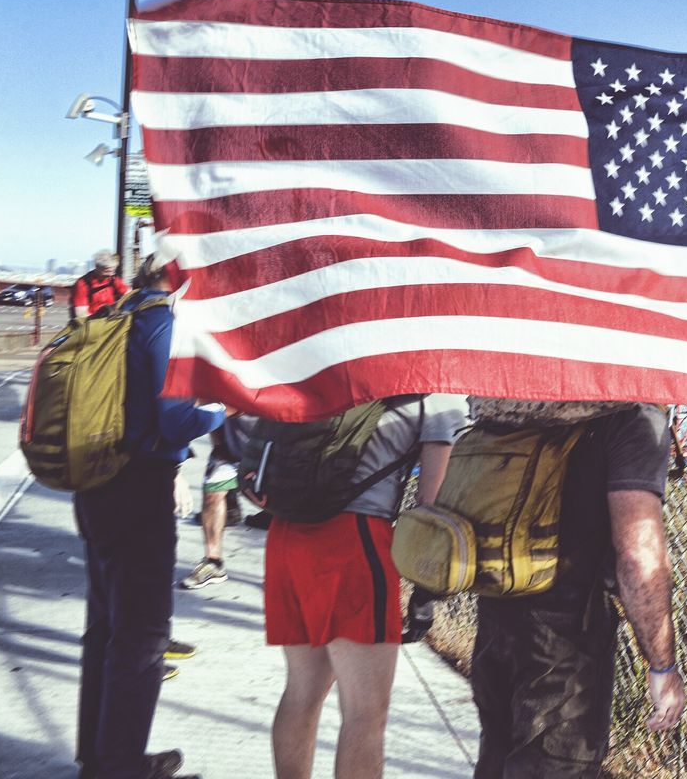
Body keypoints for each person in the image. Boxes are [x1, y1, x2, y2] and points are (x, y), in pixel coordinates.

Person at [470, 403, 686, 778]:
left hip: (497, 609)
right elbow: (639, 556)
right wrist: (662, 665)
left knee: (497, 755)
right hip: (566, 641)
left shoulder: (525, 402)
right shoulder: (633, 417)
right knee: (555, 768)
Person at [73, 252, 224, 779]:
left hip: (99, 486)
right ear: (175, 271)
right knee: (143, 635)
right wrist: (226, 404)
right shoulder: (162, 320)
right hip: (137, 493)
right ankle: (120, 766)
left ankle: (99, 756)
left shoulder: (123, 309)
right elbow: (176, 417)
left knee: (107, 625)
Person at [266, 394, 468, 779]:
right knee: (366, 712)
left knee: (301, 691)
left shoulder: (345, 367)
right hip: (356, 540)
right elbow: (430, 505)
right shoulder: (437, 396)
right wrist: (427, 590)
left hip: (287, 535)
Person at [178, 412, 257, 590]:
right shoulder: (225, 386)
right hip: (230, 451)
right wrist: (219, 445)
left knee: (282, 504)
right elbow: (213, 410)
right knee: (212, 493)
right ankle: (213, 562)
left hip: (267, 451)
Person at [72, 249, 130, 318]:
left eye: (113, 269)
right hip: (93, 321)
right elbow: (81, 315)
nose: (111, 272)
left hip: (112, 317)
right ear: (97, 266)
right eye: (107, 269)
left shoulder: (113, 279)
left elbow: (129, 295)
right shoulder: (83, 284)